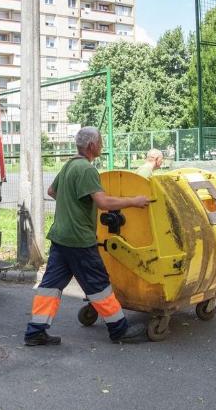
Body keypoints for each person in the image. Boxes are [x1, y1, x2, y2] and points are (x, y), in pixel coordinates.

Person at [24, 127, 151, 346]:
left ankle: (36, 331)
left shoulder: (69, 166)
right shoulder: (86, 169)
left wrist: (72, 204)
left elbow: (52, 192)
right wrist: (134, 201)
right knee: (98, 283)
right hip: (79, 240)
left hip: (60, 237)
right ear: (92, 146)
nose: (102, 145)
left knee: (50, 285)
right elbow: (103, 203)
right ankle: (119, 329)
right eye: (100, 142)